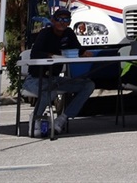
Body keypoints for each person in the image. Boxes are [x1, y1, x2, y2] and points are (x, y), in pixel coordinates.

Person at [24, 7, 95, 136]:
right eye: (59, 19)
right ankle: (36, 119)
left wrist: (84, 52)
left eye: (66, 19)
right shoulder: (45, 33)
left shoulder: (69, 33)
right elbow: (35, 53)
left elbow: (78, 49)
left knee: (88, 85)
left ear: (69, 22)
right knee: (50, 92)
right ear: (53, 20)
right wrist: (50, 55)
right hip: (36, 78)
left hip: (55, 79)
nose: (62, 22)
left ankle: (62, 119)